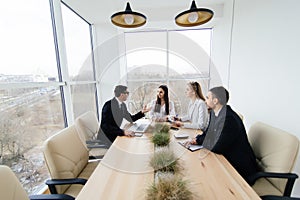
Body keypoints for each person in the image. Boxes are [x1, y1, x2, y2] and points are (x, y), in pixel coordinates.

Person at [186, 86, 258, 185]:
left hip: (240, 168)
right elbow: (208, 133)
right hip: (227, 159)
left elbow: (217, 146)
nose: (205, 100)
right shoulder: (213, 113)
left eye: (207, 98)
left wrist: (200, 141)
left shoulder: (229, 119)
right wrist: (197, 139)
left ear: (215, 101)